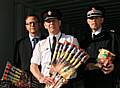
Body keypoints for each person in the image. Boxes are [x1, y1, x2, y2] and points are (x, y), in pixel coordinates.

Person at [30, 8, 79, 88]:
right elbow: (33, 65)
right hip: (47, 84)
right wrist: (41, 78)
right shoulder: (40, 44)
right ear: (45, 25)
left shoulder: (70, 40)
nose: (51, 23)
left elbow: (76, 61)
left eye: (54, 21)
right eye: (48, 21)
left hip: (66, 84)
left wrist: (66, 74)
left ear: (59, 23)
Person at [79, 5, 120, 88]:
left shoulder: (112, 37)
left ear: (102, 20)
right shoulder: (84, 41)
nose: (94, 20)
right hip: (89, 83)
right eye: (91, 18)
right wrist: (85, 67)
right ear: (87, 21)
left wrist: (114, 67)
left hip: (107, 83)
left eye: (97, 18)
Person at [13, 14, 47, 87]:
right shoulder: (20, 43)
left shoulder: (47, 41)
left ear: (40, 25)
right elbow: (16, 64)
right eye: (29, 23)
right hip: (27, 83)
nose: (32, 25)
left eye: (34, 22)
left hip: (45, 81)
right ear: (26, 27)